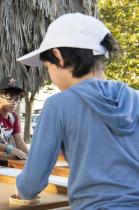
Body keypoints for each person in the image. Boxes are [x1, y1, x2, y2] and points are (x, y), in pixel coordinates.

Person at [15, 13, 139, 209]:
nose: (49, 75)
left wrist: (21, 190)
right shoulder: (135, 98)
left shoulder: (58, 105)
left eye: (47, 66)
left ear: (58, 56)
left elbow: (32, 182)